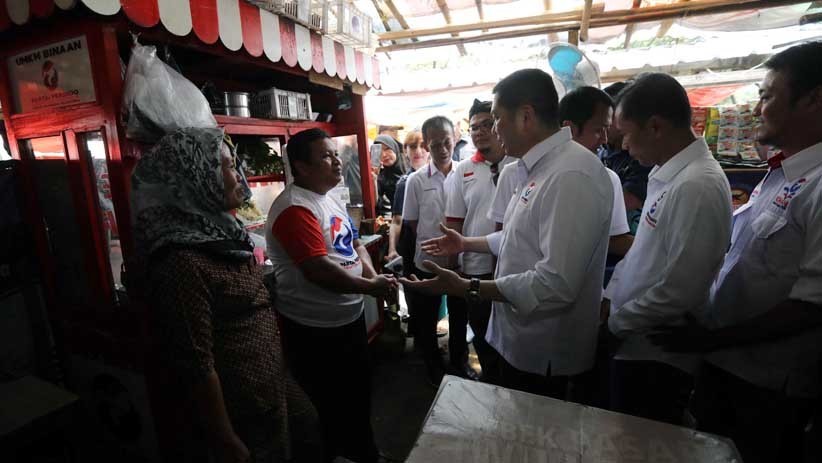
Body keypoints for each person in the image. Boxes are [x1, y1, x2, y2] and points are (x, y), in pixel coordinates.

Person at [650, 42, 822, 463]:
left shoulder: (818, 186)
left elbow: (812, 306)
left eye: (766, 96)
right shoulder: (781, 175)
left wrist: (710, 337)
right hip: (726, 366)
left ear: (813, 100)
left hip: (766, 387)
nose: (756, 108)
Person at [402, 69, 613, 399]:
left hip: (545, 354)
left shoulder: (570, 174)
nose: (493, 130)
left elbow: (555, 283)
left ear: (526, 116)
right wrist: (466, 242)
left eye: (497, 119)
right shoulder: (535, 169)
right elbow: (518, 237)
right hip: (519, 339)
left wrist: (469, 286)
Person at [134, 128, 316, 462]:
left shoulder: (222, 233)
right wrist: (225, 437)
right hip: (242, 408)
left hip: (272, 383)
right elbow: (195, 362)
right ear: (195, 177)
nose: (239, 176)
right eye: (228, 167)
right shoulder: (181, 260)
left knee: (310, 430)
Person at [603, 73, 733, 425]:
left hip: (657, 353)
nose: (625, 146)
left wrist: (615, 323)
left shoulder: (698, 185)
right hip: (638, 341)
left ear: (655, 127)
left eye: (627, 135)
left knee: (643, 442)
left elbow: (682, 289)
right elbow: (642, 258)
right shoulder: (669, 176)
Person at [265, 128, 397, 463]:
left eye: (335, 153)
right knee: (325, 403)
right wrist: (370, 288)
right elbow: (318, 270)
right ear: (302, 167)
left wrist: (371, 275)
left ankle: (364, 453)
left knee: (357, 394)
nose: (337, 161)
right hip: (314, 331)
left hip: (347, 319)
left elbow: (353, 245)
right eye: (325, 156)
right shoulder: (295, 208)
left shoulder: (329, 197)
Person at [444, 99, 513, 383]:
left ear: (499, 125)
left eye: (487, 124)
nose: (481, 132)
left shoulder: (519, 163)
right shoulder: (463, 170)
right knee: (482, 332)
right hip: (475, 266)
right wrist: (452, 269)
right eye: (474, 127)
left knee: (510, 336)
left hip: (513, 265)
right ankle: (491, 385)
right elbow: (454, 221)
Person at [401, 116, 463, 385]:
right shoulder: (415, 181)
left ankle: (459, 363)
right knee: (426, 321)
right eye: (435, 144)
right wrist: (434, 245)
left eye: (446, 142)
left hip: (461, 262)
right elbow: (412, 223)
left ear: (455, 138)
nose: (442, 149)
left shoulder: (466, 174)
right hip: (426, 262)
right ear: (426, 145)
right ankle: (434, 369)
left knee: (461, 317)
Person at [559, 86, 632, 260]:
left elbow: (615, 239)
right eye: (599, 130)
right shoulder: (524, 172)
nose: (605, 140)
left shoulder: (607, 178)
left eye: (608, 130)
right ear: (569, 128)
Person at [599, 81, 652, 235]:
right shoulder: (603, 150)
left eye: (608, 118)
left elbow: (627, 202)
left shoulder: (641, 156)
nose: (605, 125)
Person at [386, 130, 429, 264]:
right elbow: (396, 221)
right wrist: (392, 249)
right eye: (412, 146)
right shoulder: (404, 183)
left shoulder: (444, 177)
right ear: (405, 150)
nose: (418, 151)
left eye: (422, 145)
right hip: (411, 247)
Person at [373, 135, 404, 217]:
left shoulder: (410, 167)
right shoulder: (381, 177)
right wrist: (374, 180)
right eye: (379, 151)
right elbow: (376, 203)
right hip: (396, 222)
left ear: (395, 149)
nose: (383, 155)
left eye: (387, 149)